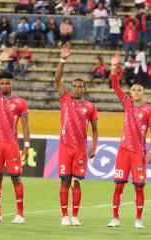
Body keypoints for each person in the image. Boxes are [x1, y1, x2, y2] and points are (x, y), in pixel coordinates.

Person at [107, 52, 151, 229]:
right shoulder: (126, 103)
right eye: (134, 90)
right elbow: (114, 84)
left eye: (139, 90)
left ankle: (138, 219)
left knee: (139, 187)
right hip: (123, 151)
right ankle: (115, 218)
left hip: (138, 153)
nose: (136, 92)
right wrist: (114, 67)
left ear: (143, 92)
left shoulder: (149, 109)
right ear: (130, 92)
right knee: (118, 186)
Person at [0, 48, 29, 226]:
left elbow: (25, 125)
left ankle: (20, 214)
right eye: (2, 83)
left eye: (7, 83)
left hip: (11, 145)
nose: (4, 86)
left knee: (16, 177)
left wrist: (26, 144)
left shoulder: (20, 103)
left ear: (12, 85)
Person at [54, 43, 99, 226]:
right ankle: (64, 216)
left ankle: (75, 215)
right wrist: (62, 59)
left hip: (80, 149)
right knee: (65, 181)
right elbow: (57, 79)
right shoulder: (65, 99)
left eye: (80, 87)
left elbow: (95, 129)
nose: (76, 89)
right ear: (71, 88)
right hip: (65, 148)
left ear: (84, 89)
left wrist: (94, 146)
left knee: (77, 182)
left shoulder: (90, 107)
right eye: (74, 86)